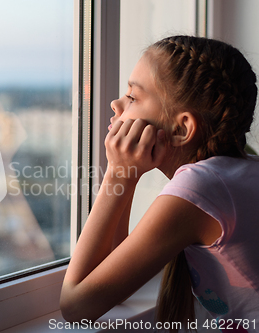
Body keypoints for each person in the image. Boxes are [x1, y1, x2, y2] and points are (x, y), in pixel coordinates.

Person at [60, 35, 259, 331]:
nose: (116, 103)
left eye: (133, 97)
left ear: (181, 129)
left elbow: (77, 305)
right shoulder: (243, 167)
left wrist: (119, 173)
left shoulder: (201, 187)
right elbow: (114, 274)